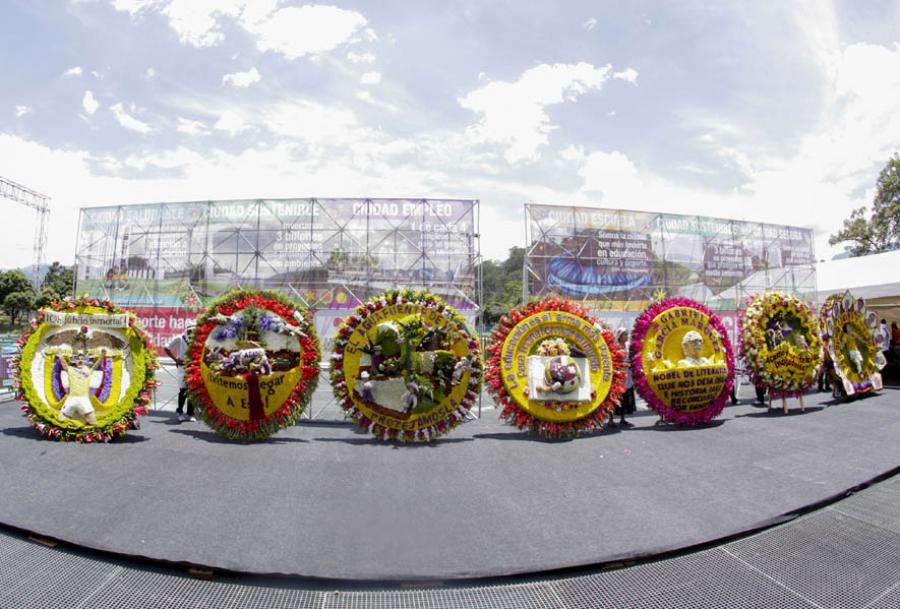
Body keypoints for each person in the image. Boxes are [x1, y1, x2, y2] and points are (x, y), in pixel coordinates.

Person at [58, 350, 105, 426]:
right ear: (75, 361)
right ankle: (71, 427)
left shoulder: (88, 371)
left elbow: (96, 365)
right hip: (71, 398)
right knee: (60, 419)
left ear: (85, 361)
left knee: (93, 422)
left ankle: (92, 435)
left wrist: (102, 356)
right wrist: (60, 356)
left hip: (84, 399)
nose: (80, 360)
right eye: (78, 359)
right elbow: (64, 365)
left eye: (82, 359)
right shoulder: (71, 370)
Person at [165, 321, 196, 422]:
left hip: (193, 367)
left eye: (194, 330)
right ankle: (179, 412)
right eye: (190, 330)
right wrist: (175, 359)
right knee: (183, 390)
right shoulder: (179, 338)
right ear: (187, 330)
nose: (192, 332)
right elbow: (166, 347)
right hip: (182, 367)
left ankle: (191, 413)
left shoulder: (196, 339)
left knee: (192, 391)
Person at [610, 329, 635, 428]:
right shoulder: (615, 347)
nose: (627, 336)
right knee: (615, 397)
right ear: (619, 336)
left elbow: (631, 358)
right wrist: (621, 365)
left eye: (627, 334)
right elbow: (612, 360)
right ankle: (611, 420)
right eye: (625, 334)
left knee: (625, 397)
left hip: (627, 374)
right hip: (617, 375)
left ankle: (622, 418)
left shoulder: (628, 346)